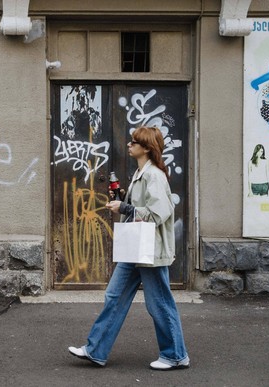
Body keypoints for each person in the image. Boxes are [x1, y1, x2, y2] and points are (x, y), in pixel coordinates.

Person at [68, 126, 190, 371]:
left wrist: (125, 209)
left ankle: (176, 355)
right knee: (115, 296)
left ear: (147, 148)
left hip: (150, 250)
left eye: (134, 142)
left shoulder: (153, 175)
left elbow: (159, 212)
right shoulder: (140, 173)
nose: (129, 144)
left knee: (159, 303)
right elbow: (142, 206)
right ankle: (96, 350)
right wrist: (125, 199)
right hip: (135, 247)